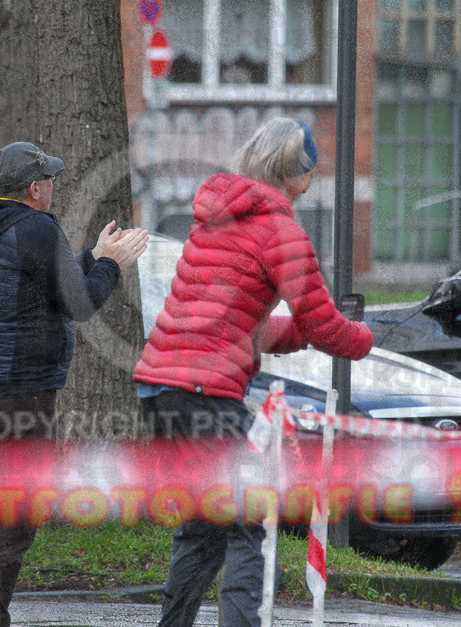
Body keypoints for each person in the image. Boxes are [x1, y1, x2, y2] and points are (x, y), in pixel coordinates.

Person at [133, 117, 374, 627]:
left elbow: (241, 329)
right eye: (310, 170)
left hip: (160, 386)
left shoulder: (216, 220)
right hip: (205, 391)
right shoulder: (281, 232)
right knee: (251, 521)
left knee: (205, 526)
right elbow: (326, 326)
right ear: (298, 173)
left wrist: (303, 331)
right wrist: (365, 338)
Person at [0, 141, 148, 627]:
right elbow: (79, 303)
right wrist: (112, 266)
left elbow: (42, 281)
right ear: (35, 189)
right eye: (51, 179)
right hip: (22, 396)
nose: (55, 186)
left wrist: (93, 255)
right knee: (13, 521)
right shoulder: (37, 228)